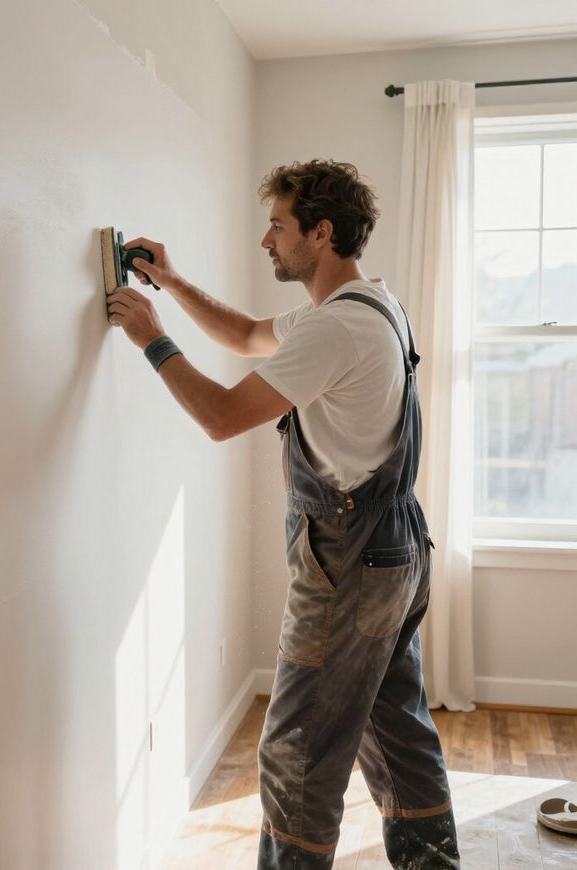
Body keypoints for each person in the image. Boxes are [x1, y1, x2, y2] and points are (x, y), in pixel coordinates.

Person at [106, 159, 460, 870]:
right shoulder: (367, 304)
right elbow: (244, 335)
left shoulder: (335, 332)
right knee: (394, 727)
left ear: (320, 233)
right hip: (396, 551)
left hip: (351, 566)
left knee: (296, 749)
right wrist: (170, 284)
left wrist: (151, 338)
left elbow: (220, 415)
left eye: (278, 226)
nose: (266, 241)